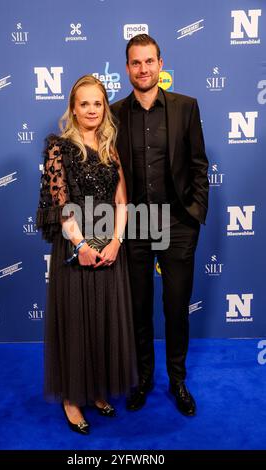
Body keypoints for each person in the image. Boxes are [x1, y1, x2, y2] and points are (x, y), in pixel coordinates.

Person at [111, 34, 209, 416]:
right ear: (127, 69)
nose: (143, 69)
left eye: (149, 61)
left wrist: (196, 211)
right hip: (135, 221)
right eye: (136, 63)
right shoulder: (115, 113)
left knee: (175, 307)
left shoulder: (186, 107)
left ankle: (178, 381)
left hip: (178, 221)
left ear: (160, 63)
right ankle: (143, 380)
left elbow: (199, 164)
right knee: (138, 307)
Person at [36, 75, 137, 435]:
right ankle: (71, 399)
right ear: (73, 108)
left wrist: (116, 241)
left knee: (103, 320)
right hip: (75, 247)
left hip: (110, 246)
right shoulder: (58, 148)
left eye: (98, 103)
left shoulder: (111, 146)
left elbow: (122, 201)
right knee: (77, 322)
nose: (91, 110)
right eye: (84, 103)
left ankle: (95, 390)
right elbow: (61, 207)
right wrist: (80, 246)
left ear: (104, 107)